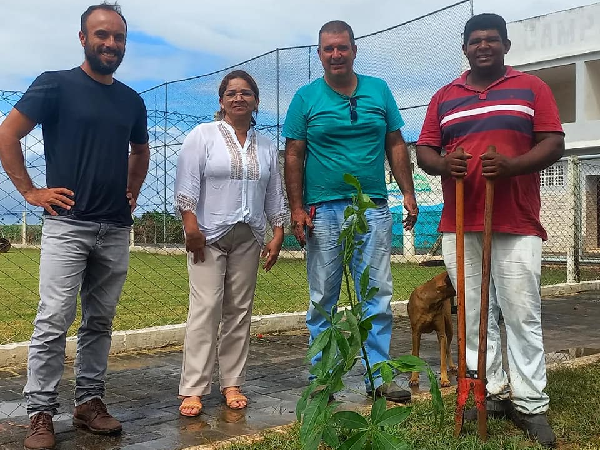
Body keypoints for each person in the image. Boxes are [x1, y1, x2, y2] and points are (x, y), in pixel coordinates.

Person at [0, 3, 150, 450]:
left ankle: (88, 403)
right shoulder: (55, 85)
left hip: (115, 227)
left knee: (99, 321)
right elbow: (7, 136)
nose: (111, 44)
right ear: (83, 38)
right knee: (53, 320)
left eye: (118, 38)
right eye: (102, 35)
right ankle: (41, 412)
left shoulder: (131, 99)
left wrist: (133, 189)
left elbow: (139, 151)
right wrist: (31, 192)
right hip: (68, 225)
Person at [416, 13, 564, 448]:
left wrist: (514, 165)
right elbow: (424, 149)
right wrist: (444, 164)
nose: (484, 46)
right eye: (476, 40)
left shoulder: (532, 88)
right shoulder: (445, 96)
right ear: (464, 48)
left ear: (506, 45)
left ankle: (531, 403)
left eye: (492, 40)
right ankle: (490, 390)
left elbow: (553, 142)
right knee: (476, 314)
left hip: (515, 219)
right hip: (461, 222)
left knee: (521, 313)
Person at [283, 20, 418, 402]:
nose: (336, 55)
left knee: (376, 293)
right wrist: (296, 208)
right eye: (328, 49)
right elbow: (294, 154)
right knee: (323, 295)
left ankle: (378, 378)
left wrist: (407, 192)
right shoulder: (306, 98)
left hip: (372, 206)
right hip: (322, 210)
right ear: (320, 54)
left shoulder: (379, 90)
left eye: (342, 47)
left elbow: (395, 143)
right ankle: (323, 378)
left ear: (354, 50)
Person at [174, 70, 287, 417]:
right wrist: (190, 225)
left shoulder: (265, 145)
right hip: (208, 235)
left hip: (249, 236)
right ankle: (193, 388)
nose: (239, 98)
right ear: (221, 100)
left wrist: (278, 229)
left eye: (246, 93)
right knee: (206, 308)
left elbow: (272, 190)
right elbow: (187, 180)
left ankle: (232, 381)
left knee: (239, 311)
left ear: (255, 101)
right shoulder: (203, 136)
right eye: (231, 93)